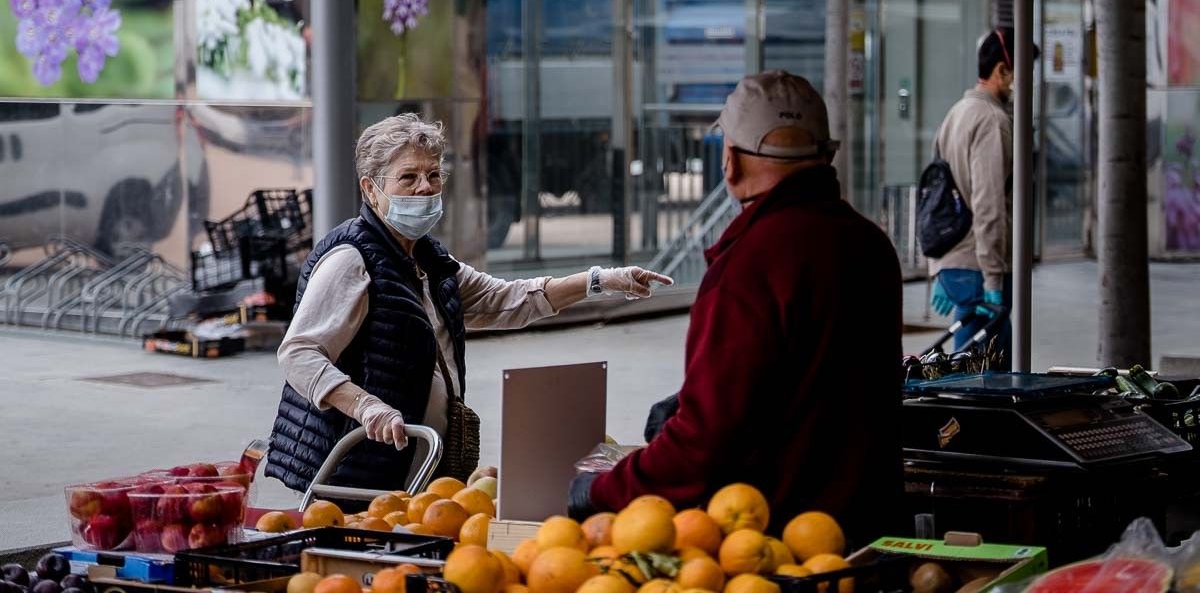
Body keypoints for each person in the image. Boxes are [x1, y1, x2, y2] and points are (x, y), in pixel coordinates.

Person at [569, 70, 903, 545]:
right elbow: (811, 380)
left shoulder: (750, 264)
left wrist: (601, 489)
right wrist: (690, 402)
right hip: (872, 536)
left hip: (779, 548)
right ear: (824, 155)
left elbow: (706, 445)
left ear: (730, 162)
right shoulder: (870, 245)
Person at [265, 114, 672, 495]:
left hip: (412, 468)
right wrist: (366, 406)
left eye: (433, 175)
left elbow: (508, 300)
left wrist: (599, 280)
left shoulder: (426, 259)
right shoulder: (351, 258)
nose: (425, 187)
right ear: (371, 189)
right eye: (408, 177)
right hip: (356, 472)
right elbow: (299, 353)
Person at [927, 28, 1032, 369]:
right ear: (1002, 71)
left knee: (965, 364)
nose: (1026, 85)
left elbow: (936, 194)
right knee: (989, 376)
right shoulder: (992, 120)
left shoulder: (957, 112)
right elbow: (989, 206)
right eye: (1024, 73)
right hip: (980, 265)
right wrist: (993, 280)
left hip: (956, 264)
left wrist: (939, 266)